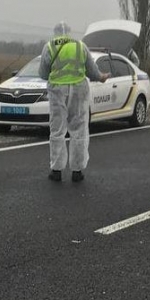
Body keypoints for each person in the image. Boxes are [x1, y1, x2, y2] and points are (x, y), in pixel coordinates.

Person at [39, 21, 110, 182]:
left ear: (55, 32)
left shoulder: (49, 46)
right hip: (79, 90)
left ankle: (56, 170)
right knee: (79, 130)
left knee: (57, 130)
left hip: (57, 91)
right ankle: (77, 171)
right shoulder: (80, 46)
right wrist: (102, 77)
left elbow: (43, 73)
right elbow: (93, 71)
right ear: (69, 32)